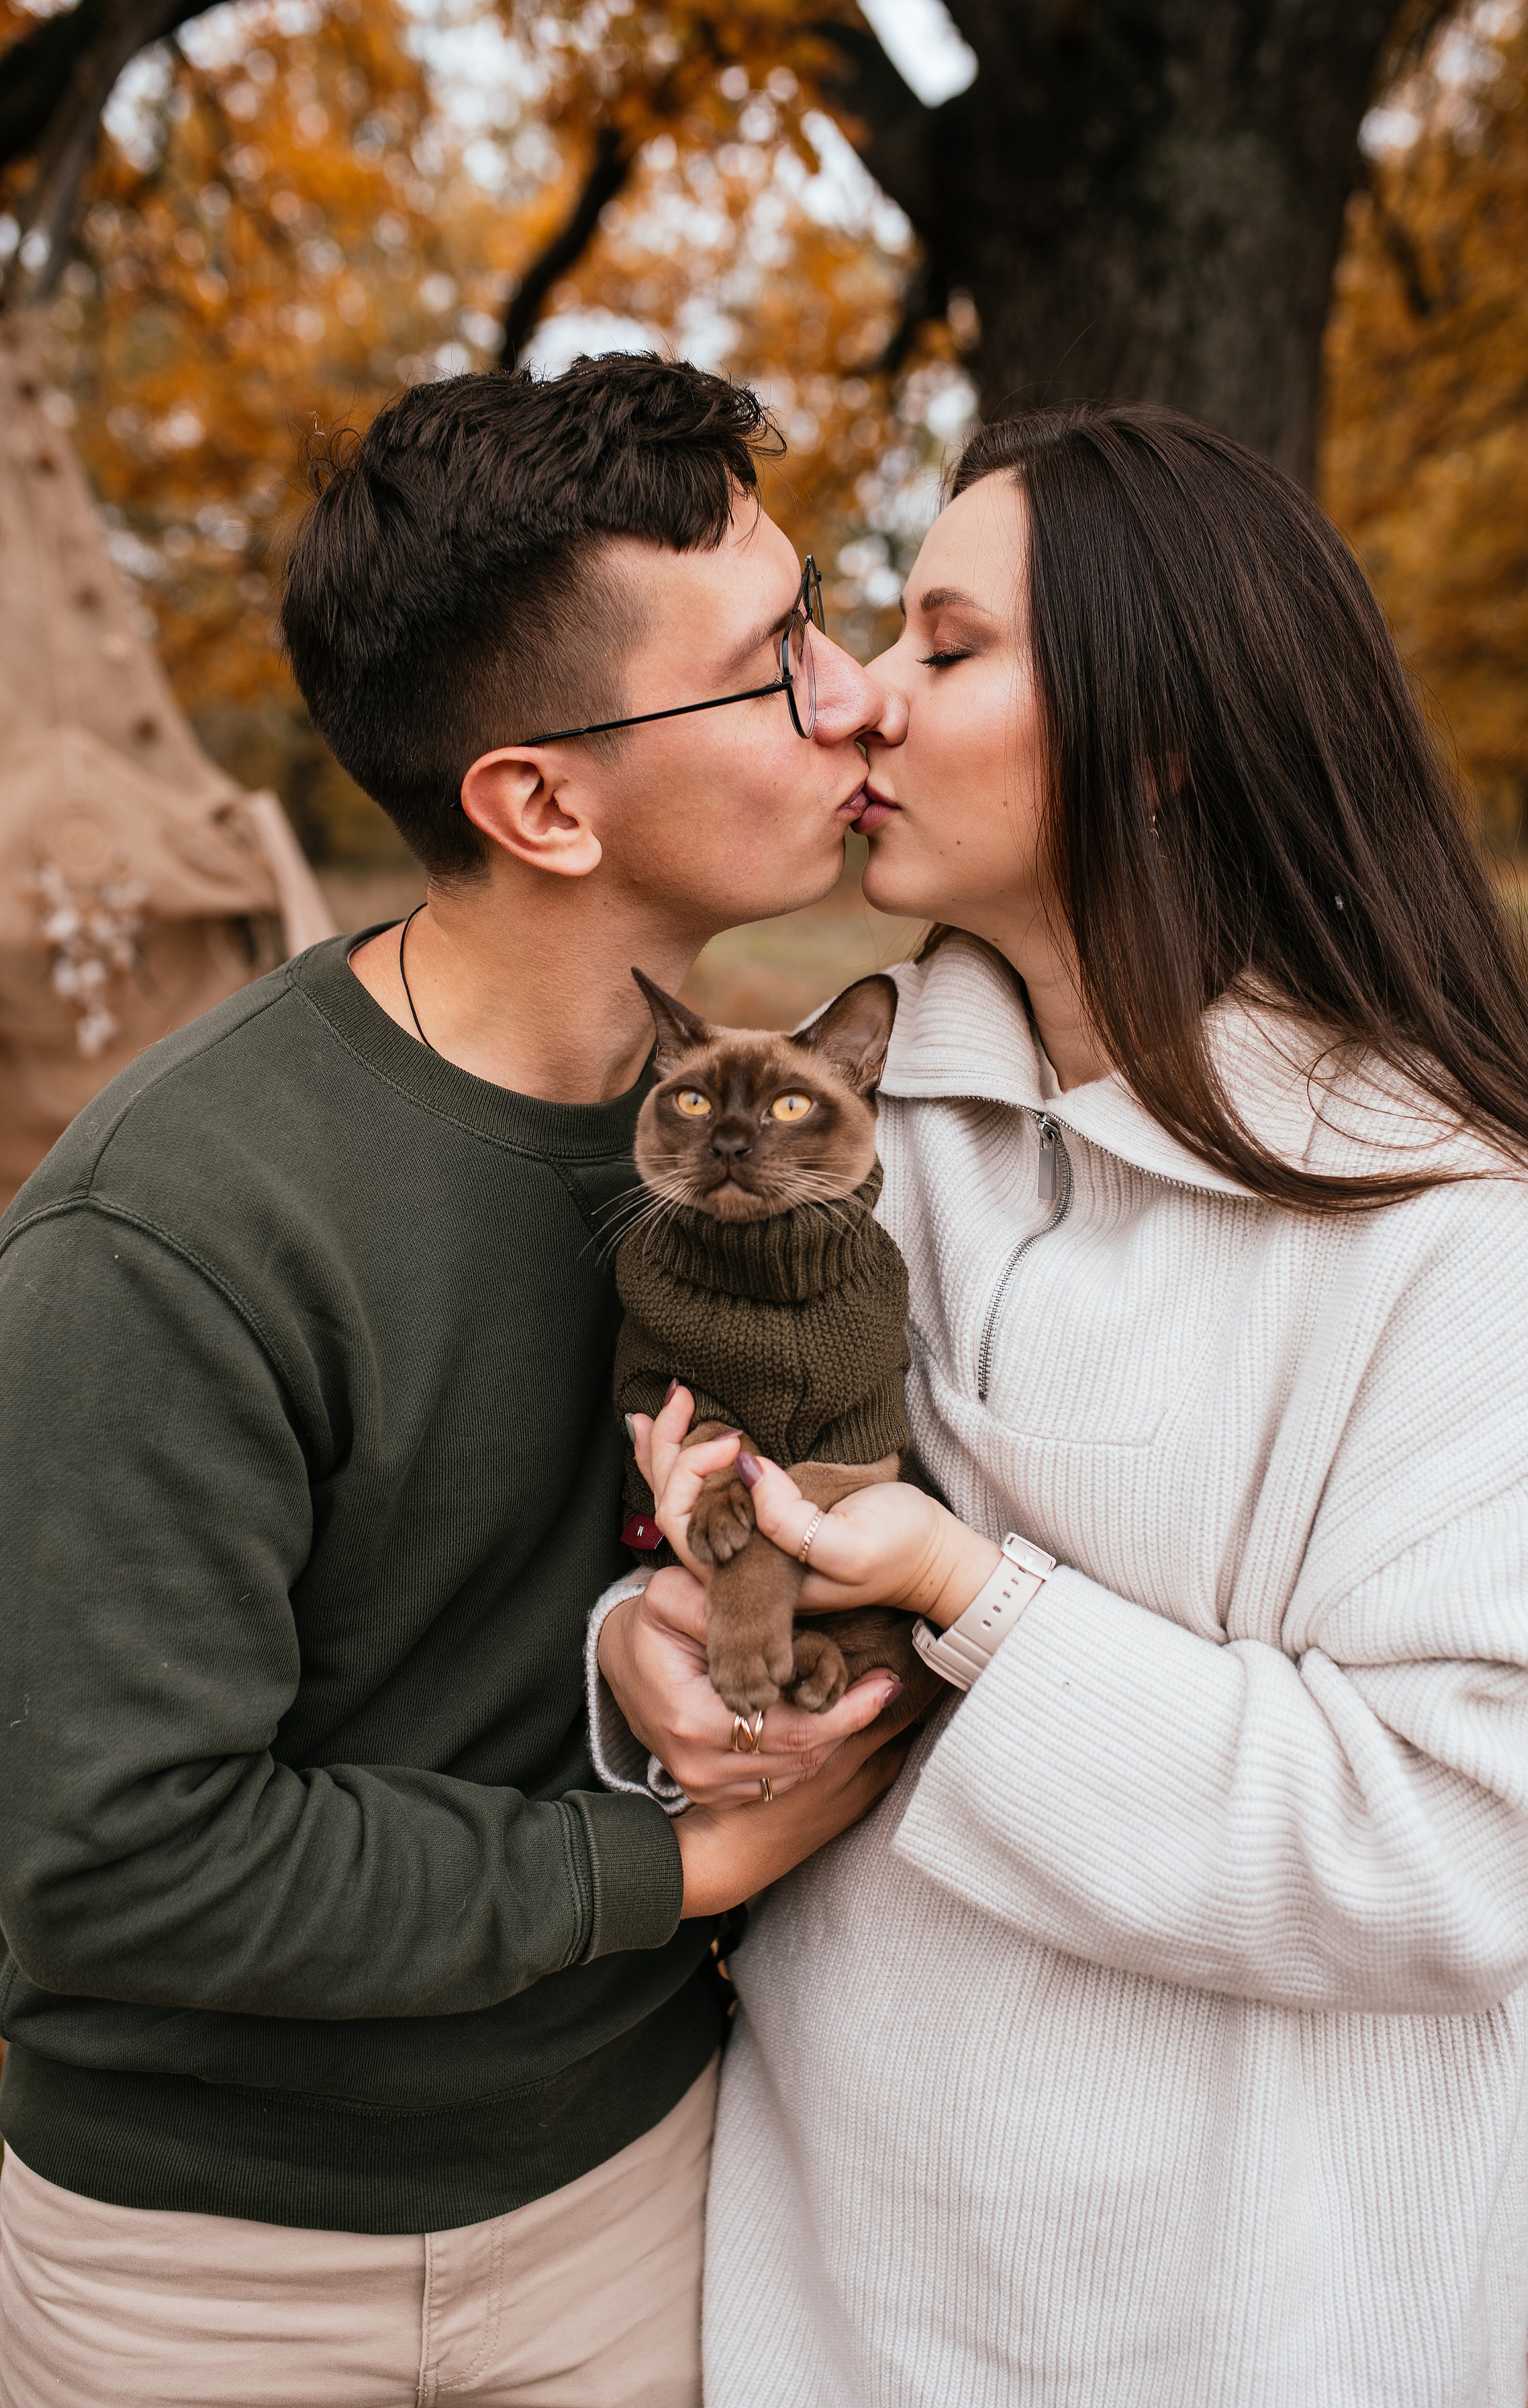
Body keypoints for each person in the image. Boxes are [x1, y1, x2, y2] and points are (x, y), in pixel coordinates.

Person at [594, 403, 1528, 2407]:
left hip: (1255, 2326)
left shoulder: (1459, 1238)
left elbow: (1458, 1853)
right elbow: (686, 1544)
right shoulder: (850, 1150)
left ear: (1161, 733)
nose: (860, 695)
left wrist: (982, 1594)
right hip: (827, 2295)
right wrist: (645, 1649)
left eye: (948, 646)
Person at [0, 356, 910, 2408]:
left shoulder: (784, 1134)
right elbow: (116, 1855)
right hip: (219, 2273)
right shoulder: (174, 1235)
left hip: (643, 2182)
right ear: (540, 802)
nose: (854, 695)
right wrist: (680, 1867)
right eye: (776, 663)